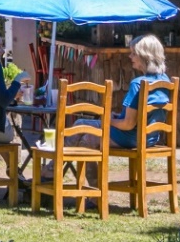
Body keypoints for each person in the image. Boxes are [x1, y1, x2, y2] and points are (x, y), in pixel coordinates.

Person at [61, 35, 173, 182]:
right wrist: (117, 117)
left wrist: (109, 119)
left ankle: (56, 175)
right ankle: (54, 174)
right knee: (81, 126)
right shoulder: (165, 81)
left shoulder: (138, 84)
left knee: (84, 133)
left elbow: (128, 124)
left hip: (131, 137)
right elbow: (140, 117)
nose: (130, 56)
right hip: (149, 138)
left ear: (145, 56)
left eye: (134, 53)